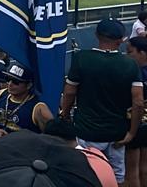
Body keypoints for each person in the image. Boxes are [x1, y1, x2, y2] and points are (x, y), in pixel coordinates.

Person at [59, 17, 144, 185]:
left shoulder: (82, 58)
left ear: (97, 35)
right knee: (116, 179)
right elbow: (138, 102)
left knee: (87, 176)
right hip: (117, 135)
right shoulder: (130, 64)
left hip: (86, 131)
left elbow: (69, 93)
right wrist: (132, 133)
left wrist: (65, 114)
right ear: (121, 40)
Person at [0, 63, 51, 136]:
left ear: (29, 85)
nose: (10, 84)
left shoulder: (38, 108)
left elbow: (52, 137)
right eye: (8, 79)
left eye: (15, 81)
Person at [126, 36, 147, 187]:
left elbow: (137, 102)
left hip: (135, 124)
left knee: (131, 172)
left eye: (130, 52)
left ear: (142, 53)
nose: (127, 56)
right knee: (144, 168)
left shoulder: (134, 74)